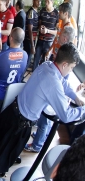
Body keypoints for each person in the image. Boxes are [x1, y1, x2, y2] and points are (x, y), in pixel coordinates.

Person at [0, 43, 85, 181]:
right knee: (7, 153)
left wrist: (75, 97)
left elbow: (63, 84)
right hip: (21, 123)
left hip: (12, 110)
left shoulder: (46, 65)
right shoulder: (54, 82)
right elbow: (66, 115)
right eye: (71, 67)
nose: (70, 71)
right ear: (64, 64)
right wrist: (83, 109)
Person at [25, 25, 77, 153]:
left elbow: (65, 114)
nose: (57, 37)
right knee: (45, 121)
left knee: (45, 120)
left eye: (59, 36)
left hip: (31, 111)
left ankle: (38, 144)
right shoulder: (56, 66)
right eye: (71, 68)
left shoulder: (54, 70)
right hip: (31, 111)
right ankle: (40, 138)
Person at [33, 0, 59, 71]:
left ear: (52, 2)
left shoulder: (56, 13)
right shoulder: (42, 11)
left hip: (49, 42)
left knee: (46, 63)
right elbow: (39, 24)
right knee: (36, 60)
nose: (46, 4)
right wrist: (40, 27)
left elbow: (57, 32)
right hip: (40, 40)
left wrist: (47, 31)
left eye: (48, 2)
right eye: (45, 2)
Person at [23, 0, 41, 75]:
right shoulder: (31, 12)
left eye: (40, 1)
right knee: (27, 60)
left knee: (28, 59)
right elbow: (30, 29)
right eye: (37, 1)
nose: (39, 2)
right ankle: (20, 78)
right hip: (29, 40)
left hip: (32, 40)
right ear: (33, 1)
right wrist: (32, 45)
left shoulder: (36, 12)